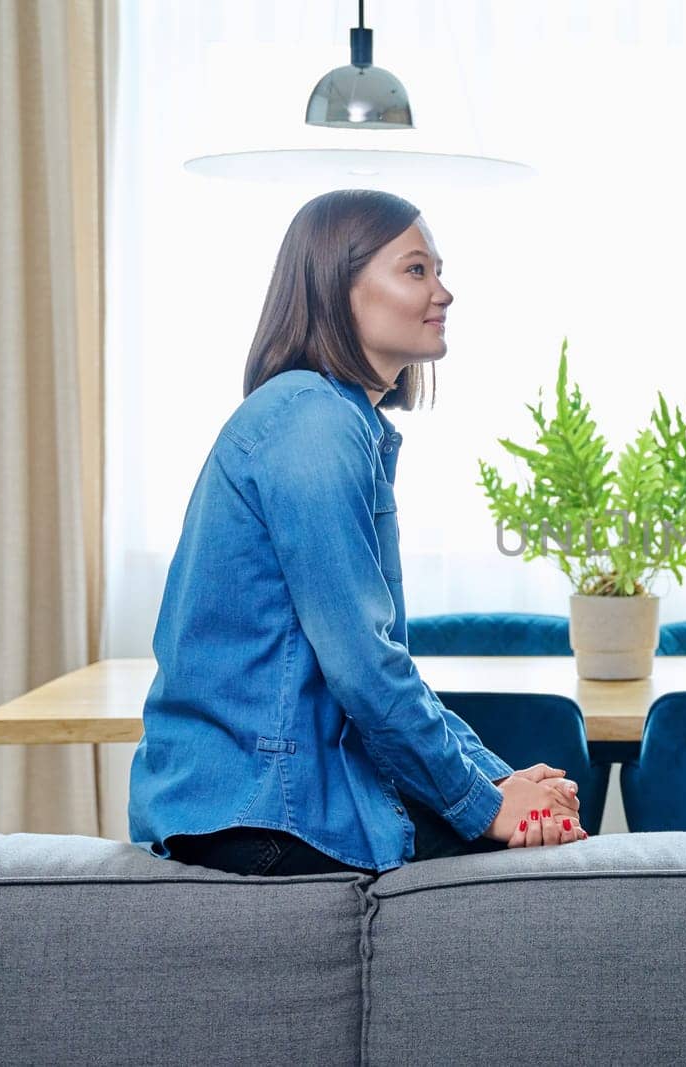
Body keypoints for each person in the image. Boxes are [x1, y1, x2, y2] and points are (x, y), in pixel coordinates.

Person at [129, 189, 587, 877]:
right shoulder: (315, 424)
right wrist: (489, 803)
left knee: (550, 810)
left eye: (438, 269)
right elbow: (365, 670)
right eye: (416, 270)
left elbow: (375, 668)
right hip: (264, 811)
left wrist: (493, 780)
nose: (444, 292)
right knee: (553, 841)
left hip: (263, 798)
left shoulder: (327, 419)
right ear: (339, 290)